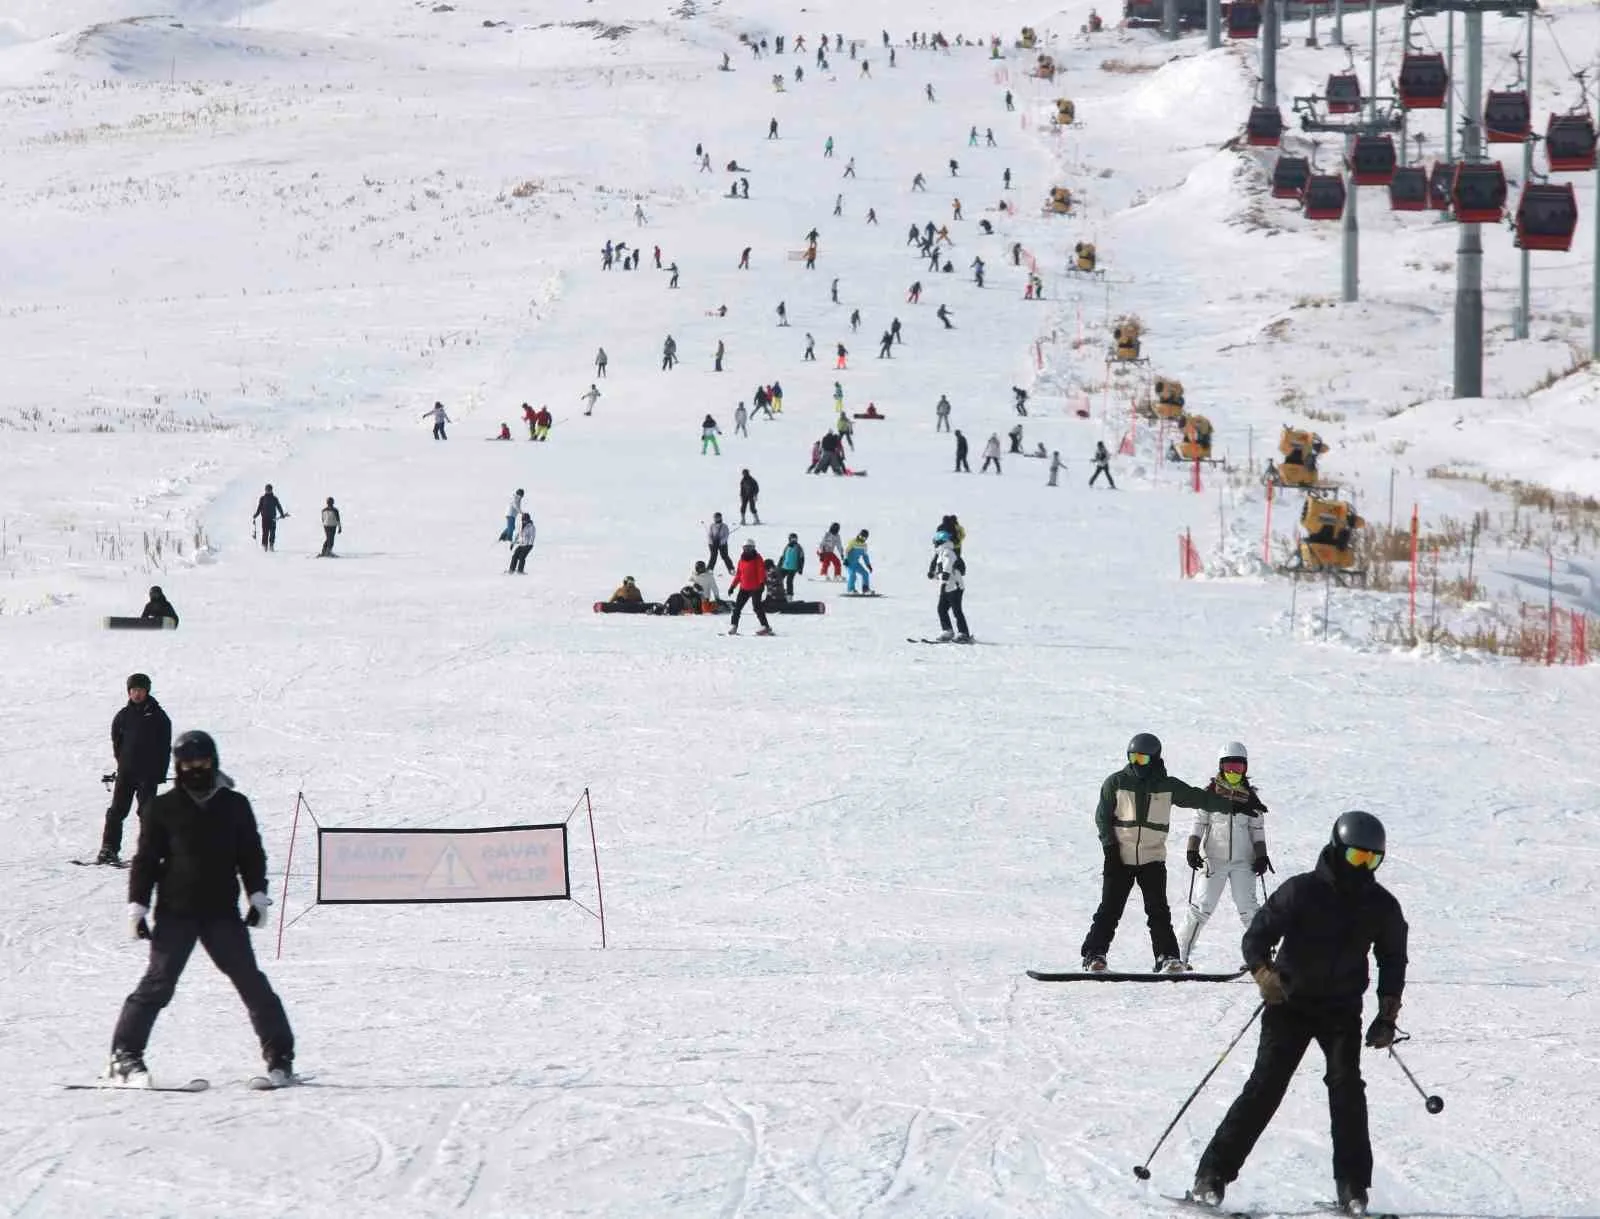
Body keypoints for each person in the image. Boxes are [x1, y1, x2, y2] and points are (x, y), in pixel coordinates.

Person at [1191, 812, 1407, 1217]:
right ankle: (1211, 1177)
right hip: (1289, 1004)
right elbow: (1257, 935)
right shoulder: (1301, 891)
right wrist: (1263, 974)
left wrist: (1387, 1014)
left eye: (1373, 861)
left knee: (1347, 1090)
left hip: (1341, 1010)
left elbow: (1393, 959)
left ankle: (1353, 1189)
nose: (1364, 868)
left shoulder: (1380, 905)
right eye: (1358, 858)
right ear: (1339, 850)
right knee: (1265, 1087)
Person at [107, 730, 296, 1088]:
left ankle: (280, 1059)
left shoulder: (234, 805)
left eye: (202, 762)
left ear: (214, 761)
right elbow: (146, 859)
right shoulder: (162, 807)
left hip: (221, 912)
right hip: (175, 912)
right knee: (158, 984)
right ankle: (124, 1057)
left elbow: (250, 853)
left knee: (251, 984)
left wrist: (257, 895)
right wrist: (137, 906)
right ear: (177, 766)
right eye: (188, 763)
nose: (195, 769)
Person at [1080, 733, 1264, 973]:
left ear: (1155, 759)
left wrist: (1235, 806)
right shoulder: (1115, 783)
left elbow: (1200, 798)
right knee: (1109, 909)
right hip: (1119, 858)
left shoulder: (1167, 786)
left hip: (1152, 859)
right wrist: (1110, 849)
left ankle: (1167, 957)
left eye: (1143, 759)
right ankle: (1094, 955)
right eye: (1133, 758)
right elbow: (1102, 818)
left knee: (1158, 912)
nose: (1137, 764)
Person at [1178, 742, 1272, 967]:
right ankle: (1179, 957)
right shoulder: (1208, 796)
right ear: (1220, 767)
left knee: (1249, 909)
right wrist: (1192, 849)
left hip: (1243, 862)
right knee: (1201, 907)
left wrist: (1261, 855)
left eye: (1238, 768)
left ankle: (1262, 957)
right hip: (1214, 860)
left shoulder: (1252, 800)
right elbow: (1198, 823)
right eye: (1229, 766)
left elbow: (1256, 831)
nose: (1233, 772)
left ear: (1245, 769)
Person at [97, 673, 173, 866]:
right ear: (129, 692)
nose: (137, 694)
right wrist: (122, 764)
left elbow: (164, 747)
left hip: (149, 774)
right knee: (116, 811)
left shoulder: (159, 717)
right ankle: (108, 849)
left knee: (147, 813)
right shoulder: (123, 716)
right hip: (126, 773)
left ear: (147, 691)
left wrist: (159, 773)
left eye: (140, 690)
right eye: (133, 690)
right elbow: (117, 742)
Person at [929, 530, 970, 642]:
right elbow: (942, 570)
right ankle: (947, 631)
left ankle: (963, 633)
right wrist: (934, 575)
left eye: (936, 542)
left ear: (940, 541)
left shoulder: (947, 552)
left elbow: (947, 566)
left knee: (957, 610)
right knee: (941, 609)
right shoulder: (941, 553)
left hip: (955, 587)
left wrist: (945, 578)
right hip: (947, 586)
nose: (934, 544)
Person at [727, 541, 773, 635]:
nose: (747, 550)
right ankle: (734, 626)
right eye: (745, 548)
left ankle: (765, 626)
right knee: (737, 608)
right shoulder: (741, 560)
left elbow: (761, 571)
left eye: (749, 548)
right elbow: (739, 575)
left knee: (757, 607)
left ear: (753, 548)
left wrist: (761, 583)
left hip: (756, 588)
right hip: (744, 588)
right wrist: (732, 586)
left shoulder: (758, 559)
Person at [252, 484, 287, 551]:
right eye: (267, 490)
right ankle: (265, 546)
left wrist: (282, 514)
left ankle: (271, 545)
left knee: (272, 532)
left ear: (271, 490)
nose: (268, 491)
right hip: (264, 519)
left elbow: (279, 507)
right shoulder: (262, 498)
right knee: (265, 533)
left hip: (273, 518)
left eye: (269, 490)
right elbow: (259, 508)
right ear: (265, 490)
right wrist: (256, 515)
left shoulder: (274, 498)